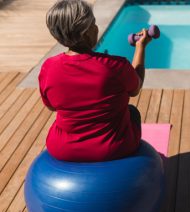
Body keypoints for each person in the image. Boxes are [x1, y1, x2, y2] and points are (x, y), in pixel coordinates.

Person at [39, 0, 151, 162]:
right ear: (85, 32)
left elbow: (51, 106)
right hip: (114, 147)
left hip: (63, 148)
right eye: (94, 23)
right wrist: (141, 47)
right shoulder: (116, 65)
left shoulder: (49, 67)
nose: (97, 27)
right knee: (132, 111)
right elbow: (136, 88)